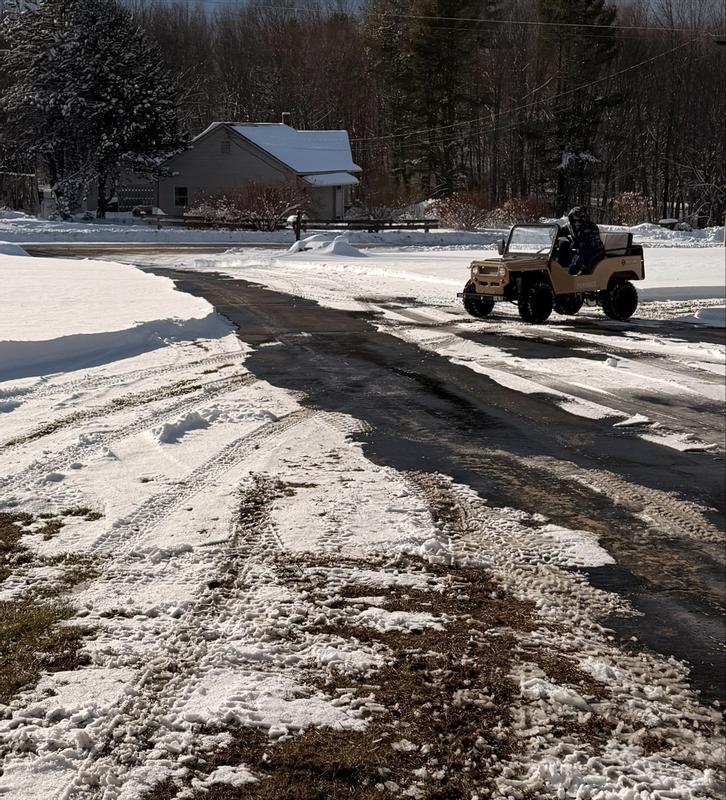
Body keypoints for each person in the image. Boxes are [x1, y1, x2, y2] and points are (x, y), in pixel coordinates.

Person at [558, 206, 605, 275]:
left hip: (594, 251)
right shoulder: (570, 226)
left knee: (575, 265)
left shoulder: (591, 227)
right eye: (574, 220)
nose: (577, 223)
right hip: (580, 250)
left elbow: (593, 244)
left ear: (584, 219)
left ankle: (579, 276)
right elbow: (561, 231)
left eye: (579, 220)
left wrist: (578, 244)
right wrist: (555, 233)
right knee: (562, 247)